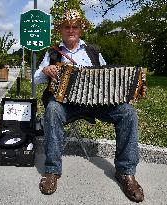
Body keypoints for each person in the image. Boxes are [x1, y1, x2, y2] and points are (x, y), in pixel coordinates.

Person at [34, 9, 144, 203]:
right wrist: (45, 70)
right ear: (61, 30)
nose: (70, 30)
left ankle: (126, 172)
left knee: (127, 112)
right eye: (66, 27)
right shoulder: (52, 53)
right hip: (66, 104)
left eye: (74, 26)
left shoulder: (93, 51)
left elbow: (107, 76)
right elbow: (35, 80)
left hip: (97, 103)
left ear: (80, 29)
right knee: (52, 109)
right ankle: (52, 171)